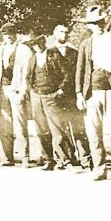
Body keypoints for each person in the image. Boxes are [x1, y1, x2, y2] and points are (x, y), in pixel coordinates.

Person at [75, 5, 111, 180]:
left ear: (105, 22)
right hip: (92, 94)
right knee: (93, 132)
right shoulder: (86, 44)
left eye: (101, 22)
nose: (98, 25)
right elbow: (79, 71)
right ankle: (99, 168)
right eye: (94, 23)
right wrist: (79, 93)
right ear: (89, 25)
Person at [26, 33, 77, 171]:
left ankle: (66, 160)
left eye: (39, 43)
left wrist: (60, 90)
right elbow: (28, 77)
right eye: (34, 45)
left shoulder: (54, 55)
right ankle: (49, 160)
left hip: (52, 97)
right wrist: (31, 91)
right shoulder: (32, 59)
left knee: (58, 128)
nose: (37, 47)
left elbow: (67, 74)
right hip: (37, 97)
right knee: (41, 130)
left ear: (44, 43)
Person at [0, 23, 33, 167]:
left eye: (11, 33)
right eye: (5, 34)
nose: (8, 36)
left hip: (17, 89)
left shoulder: (24, 50)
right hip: (3, 90)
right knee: (5, 123)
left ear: (15, 34)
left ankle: (24, 156)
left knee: (20, 124)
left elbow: (27, 73)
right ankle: (7, 156)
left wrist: (23, 90)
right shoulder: (1, 50)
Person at [51, 24, 91, 169]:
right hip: (55, 96)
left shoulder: (74, 52)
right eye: (61, 32)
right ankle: (65, 159)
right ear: (55, 33)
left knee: (78, 127)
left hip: (71, 95)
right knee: (60, 128)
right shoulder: (49, 52)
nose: (64, 35)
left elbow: (78, 73)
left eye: (66, 32)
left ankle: (85, 159)